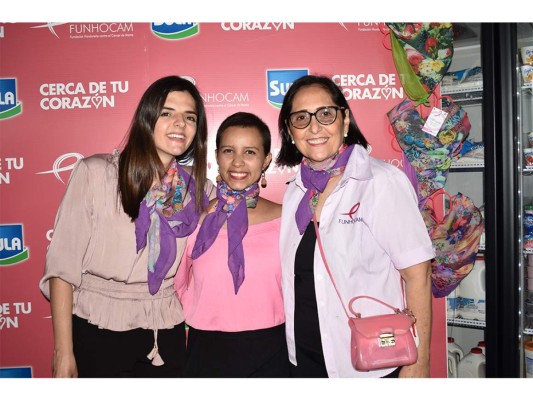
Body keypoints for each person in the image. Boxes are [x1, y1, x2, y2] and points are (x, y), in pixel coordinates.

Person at [39, 75, 214, 378]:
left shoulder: (198, 191)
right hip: (98, 328)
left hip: (165, 330)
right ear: (147, 118)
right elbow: (61, 268)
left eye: (190, 117)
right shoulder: (96, 173)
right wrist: (63, 352)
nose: (180, 124)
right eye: (167, 113)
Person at [275, 75, 435, 378]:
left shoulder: (381, 182)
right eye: (300, 118)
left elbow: (418, 275)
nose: (314, 127)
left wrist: (418, 363)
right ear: (289, 131)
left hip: (371, 364)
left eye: (325, 114)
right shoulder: (295, 191)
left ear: (344, 120)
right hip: (304, 363)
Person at [175, 112, 290, 377]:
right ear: (217, 157)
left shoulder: (286, 219)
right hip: (206, 351)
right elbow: (178, 284)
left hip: (274, 350)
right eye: (229, 150)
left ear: (266, 160)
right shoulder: (195, 218)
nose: (238, 162)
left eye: (250, 152)